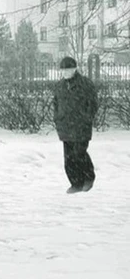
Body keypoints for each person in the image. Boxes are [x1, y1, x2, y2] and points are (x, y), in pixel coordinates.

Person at [52, 56, 98, 194]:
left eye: (69, 69)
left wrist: (86, 117)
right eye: (63, 70)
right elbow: (56, 104)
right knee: (69, 158)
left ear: (75, 69)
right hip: (65, 127)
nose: (66, 72)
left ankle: (89, 178)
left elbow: (93, 103)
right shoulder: (60, 86)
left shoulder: (85, 84)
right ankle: (76, 183)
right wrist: (58, 118)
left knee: (79, 154)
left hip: (81, 126)